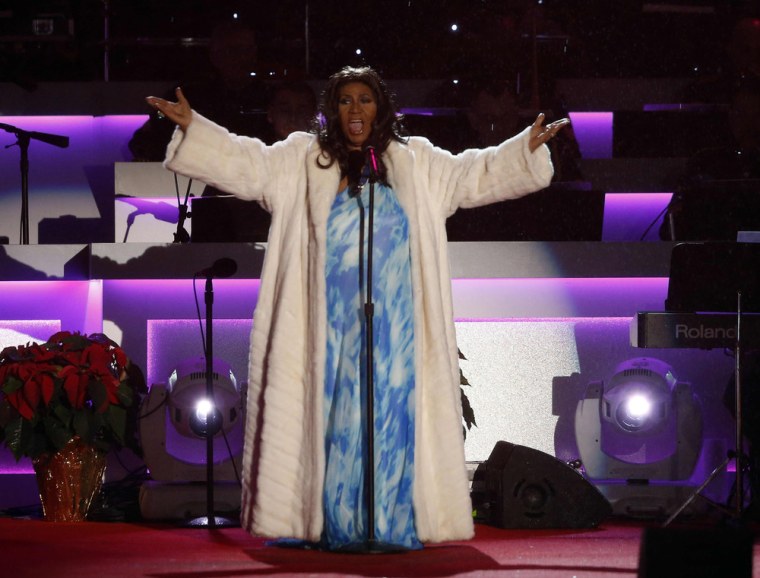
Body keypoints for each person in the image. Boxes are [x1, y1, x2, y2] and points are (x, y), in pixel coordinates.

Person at [146, 65, 568, 550]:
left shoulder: (416, 163)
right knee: (335, 423)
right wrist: (193, 128)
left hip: (396, 330)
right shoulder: (301, 161)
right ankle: (333, 524)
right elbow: (248, 162)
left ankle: (387, 523)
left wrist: (524, 149)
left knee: (390, 423)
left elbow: (473, 175)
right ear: (332, 109)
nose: (355, 110)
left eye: (365, 100)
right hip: (326, 327)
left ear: (381, 107)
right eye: (345, 100)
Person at [129, 20, 269, 162]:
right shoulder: (189, 95)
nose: (241, 58)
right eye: (232, 50)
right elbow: (148, 135)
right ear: (214, 56)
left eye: (246, 50)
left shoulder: (271, 98)